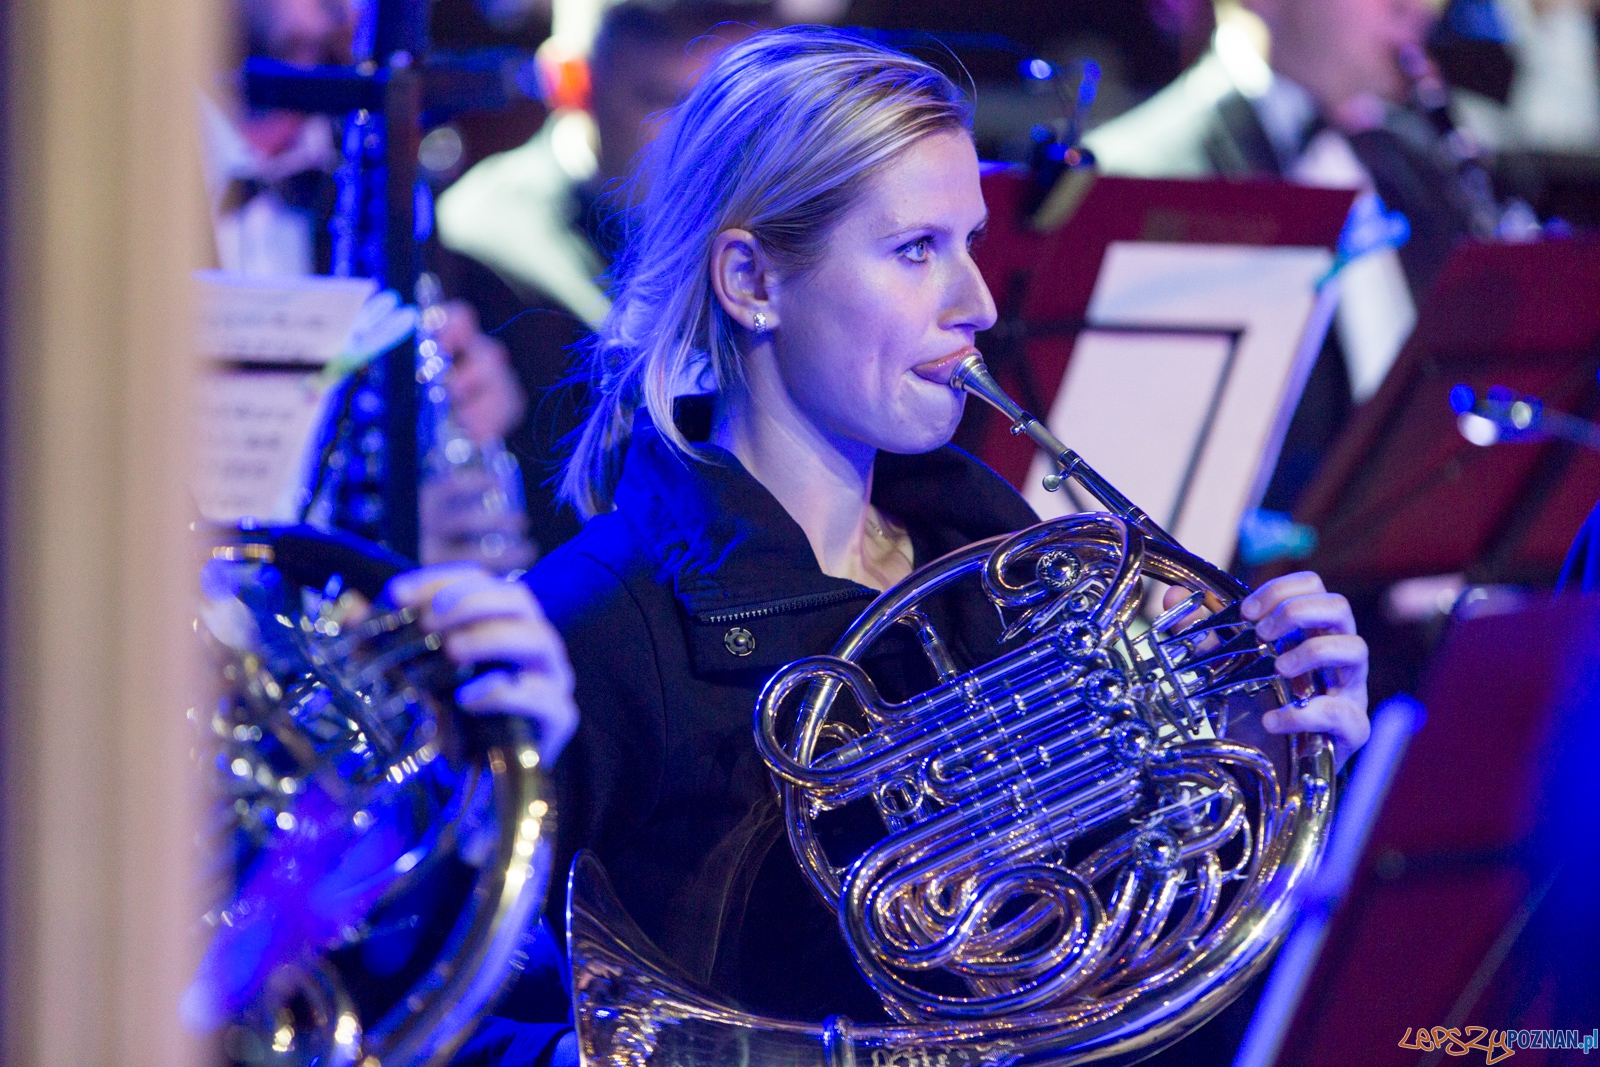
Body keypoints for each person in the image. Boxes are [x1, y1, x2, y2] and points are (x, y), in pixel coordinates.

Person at [409, 25, 1374, 1067]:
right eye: (916, 250)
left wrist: (1257, 760)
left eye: (970, 241)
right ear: (751, 280)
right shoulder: (594, 628)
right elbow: (423, 1012)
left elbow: (1115, 995)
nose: (978, 303)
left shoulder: (1001, 571)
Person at [435, 1, 768, 556]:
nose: (708, 143)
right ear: (571, 84)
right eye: (666, 102)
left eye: (732, 108)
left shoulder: (760, 222)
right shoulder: (479, 241)